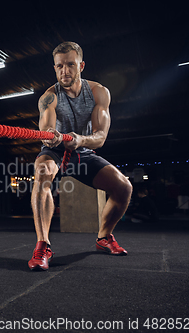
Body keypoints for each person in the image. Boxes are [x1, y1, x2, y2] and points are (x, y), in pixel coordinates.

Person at [28, 41, 133, 271]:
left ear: (81, 66)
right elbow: (46, 128)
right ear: (54, 68)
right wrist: (50, 137)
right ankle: (43, 245)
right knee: (42, 172)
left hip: (82, 150)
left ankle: (104, 237)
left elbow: (100, 137)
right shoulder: (49, 97)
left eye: (70, 65)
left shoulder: (98, 92)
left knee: (124, 187)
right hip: (55, 150)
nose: (64, 71)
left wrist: (79, 140)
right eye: (59, 66)